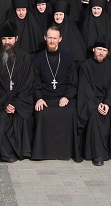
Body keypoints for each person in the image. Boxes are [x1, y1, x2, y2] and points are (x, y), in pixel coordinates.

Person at [77, 35, 111, 166]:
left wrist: (108, 103)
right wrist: (96, 104)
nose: (101, 52)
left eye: (104, 50)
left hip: (107, 101)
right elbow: (85, 89)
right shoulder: (85, 66)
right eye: (99, 49)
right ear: (93, 49)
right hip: (91, 102)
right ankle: (97, 153)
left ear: (107, 52)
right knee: (94, 115)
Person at [31, 26, 81, 161]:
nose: (52, 41)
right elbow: (35, 83)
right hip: (45, 98)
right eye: (50, 38)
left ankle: (65, 152)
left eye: (55, 38)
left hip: (62, 98)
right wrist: (39, 98)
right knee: (42, 113)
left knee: (70, 111)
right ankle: (43, 153)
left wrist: (67, 97)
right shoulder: (38, 59)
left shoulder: (67, 59)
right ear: (45, 38)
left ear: (60, 39)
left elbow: (73, 84)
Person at [0, 21, 34, 162]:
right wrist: (5, 103)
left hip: (20, 102)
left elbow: (27, 84)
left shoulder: (25, 57)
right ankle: (3, 154)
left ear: (16, 39)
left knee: (21, 116)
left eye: (10, 38)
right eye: (4, 39)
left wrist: (14, 103)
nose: (7, 42)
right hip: (0, 102)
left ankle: (22, 151)